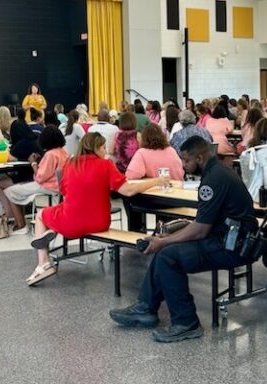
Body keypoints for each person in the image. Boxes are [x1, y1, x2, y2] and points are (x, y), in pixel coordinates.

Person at [109, 136, 258, 342]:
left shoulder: (214, 179)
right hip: (225, 238)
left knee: (168, 256)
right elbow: (203, 223)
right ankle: (146, 307)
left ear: (200, 158)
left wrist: (164, 241)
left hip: (232, 246)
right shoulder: (217, 172)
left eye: (186, 160)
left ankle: (186, 322)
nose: (183, 165)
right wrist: (170, 238)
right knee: (165, 251)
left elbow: (200, 230)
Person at [26, 132, 168, 286]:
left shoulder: (70, 164)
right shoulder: (106, 165)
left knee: (41, 214)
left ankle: (43, 262)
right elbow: (128, 190)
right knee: (63, 213)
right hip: (100, 222)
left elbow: (65, 191)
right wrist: (156, 181)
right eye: (103, 147)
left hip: (71, 223)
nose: (106, 151)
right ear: (95, 148)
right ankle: (52, 232)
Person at [3, 126, 68, 234]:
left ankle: (21, 225)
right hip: (59, 186)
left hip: (47, 186)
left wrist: (33, 162)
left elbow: (40, 177)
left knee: (10, 191)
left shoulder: (50, 154)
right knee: (19, 188)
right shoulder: (63, 152)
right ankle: (22, 222)